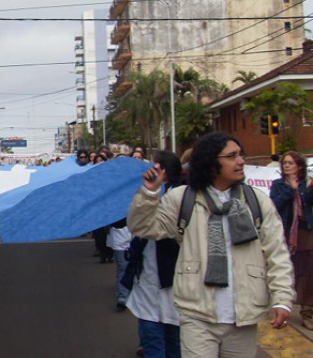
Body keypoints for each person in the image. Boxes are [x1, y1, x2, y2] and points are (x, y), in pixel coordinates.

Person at [128, 132, 294, 358]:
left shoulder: (256, 200)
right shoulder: (181, 198)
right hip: (197, 314)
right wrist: (148, 193)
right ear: (211, 162)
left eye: (240, 155)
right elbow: (143, 228)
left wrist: (282, 300)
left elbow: (277, 253)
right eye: (232, 156)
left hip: (243, 316)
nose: (241, 161)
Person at [124, 151, 182, 358]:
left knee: (174, 337)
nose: (147, 169)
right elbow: (136, 225)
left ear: (163, 171)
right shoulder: (148, 192)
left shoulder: (180, 197)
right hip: (148, 276)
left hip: (173, 278)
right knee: (152, 336)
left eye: (152, 165)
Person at [270, 151, 313, 330]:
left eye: (290, 163)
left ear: (299, 166)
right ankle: (282, 304)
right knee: (286, 270)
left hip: (305, 233)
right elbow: (275, 205)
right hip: (286, 233)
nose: (287, 166)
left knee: (309, 271)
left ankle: (307, 311)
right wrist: (291, 190)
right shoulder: (278, 185)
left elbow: (308, 205)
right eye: (285, 163)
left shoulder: (306, 184)